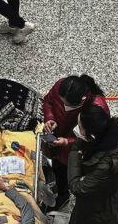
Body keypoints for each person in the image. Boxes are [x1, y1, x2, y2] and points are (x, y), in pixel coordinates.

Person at [42, 75, 109, 209]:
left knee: (68, 173)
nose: (64, 106)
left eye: (68, 105)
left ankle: (64, 195)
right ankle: (61, 189)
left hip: (76, 151)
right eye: (62, 102)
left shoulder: (96, 108)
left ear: (82, 100)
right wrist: (50, 118)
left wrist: (68, 142)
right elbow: (48, 102)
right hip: (56, 144)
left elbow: (93, 138)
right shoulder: (62, 87)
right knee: (58, 169)